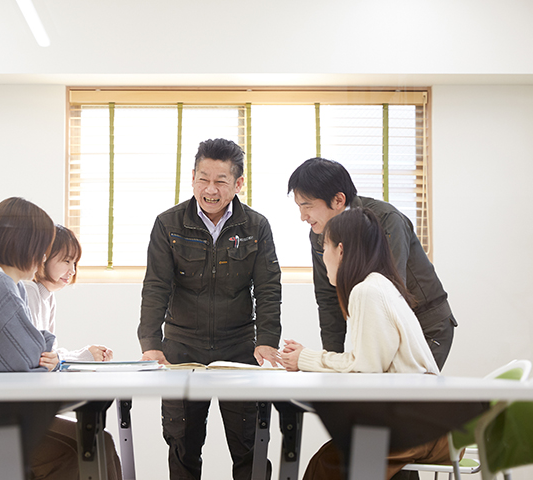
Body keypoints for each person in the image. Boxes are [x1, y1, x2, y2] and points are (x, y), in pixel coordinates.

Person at [0, 197, 122, 480]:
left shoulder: (8, 285)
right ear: (22, 243)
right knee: (83, 447)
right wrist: (43, 353)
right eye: (42, 247)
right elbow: (28, 360)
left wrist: (43, 352)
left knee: (98, 442)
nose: (43, 257)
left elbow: (33, 354)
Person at [138, 138, 282, 480]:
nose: (210, 189)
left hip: (239, 349)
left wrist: (267, 340)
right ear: (191, 178)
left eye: (221, 180)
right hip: (181, 349)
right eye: (203, 178)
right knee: (182, 445)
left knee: (250, 445)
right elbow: (155, 286)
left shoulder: (256, 227)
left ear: (238, 184)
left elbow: (268, 287)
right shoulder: (168, 224)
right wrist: (150, 343)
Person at [280, 208, 450, 479]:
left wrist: (304, 358)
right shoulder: (378, 285)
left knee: (326, 465)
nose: (323, 258)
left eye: (324, 248)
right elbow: (368, 365)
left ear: (341, 251)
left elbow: (364, 369)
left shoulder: (367, 291)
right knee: (327, 459)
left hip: (419, 432)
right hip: (422, 424)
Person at [288, 157, 457, 371]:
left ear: (338, 200)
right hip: (386, 318)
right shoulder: (320, 232)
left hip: (426, 322)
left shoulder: (385, 220)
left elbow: (390, 293)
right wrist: (330, 363)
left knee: (396, 392)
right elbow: (328, 299)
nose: (303, 217)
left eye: (307, 206)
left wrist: (323, 363)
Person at [25, 224, 114, 363]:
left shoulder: (48, 296)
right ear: (43, 258)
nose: (72, 270)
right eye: (67, 261)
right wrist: (84, 357)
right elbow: (40, 357)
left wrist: (87, 353)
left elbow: (51, 353)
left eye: (74, 263)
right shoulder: (29, 291)